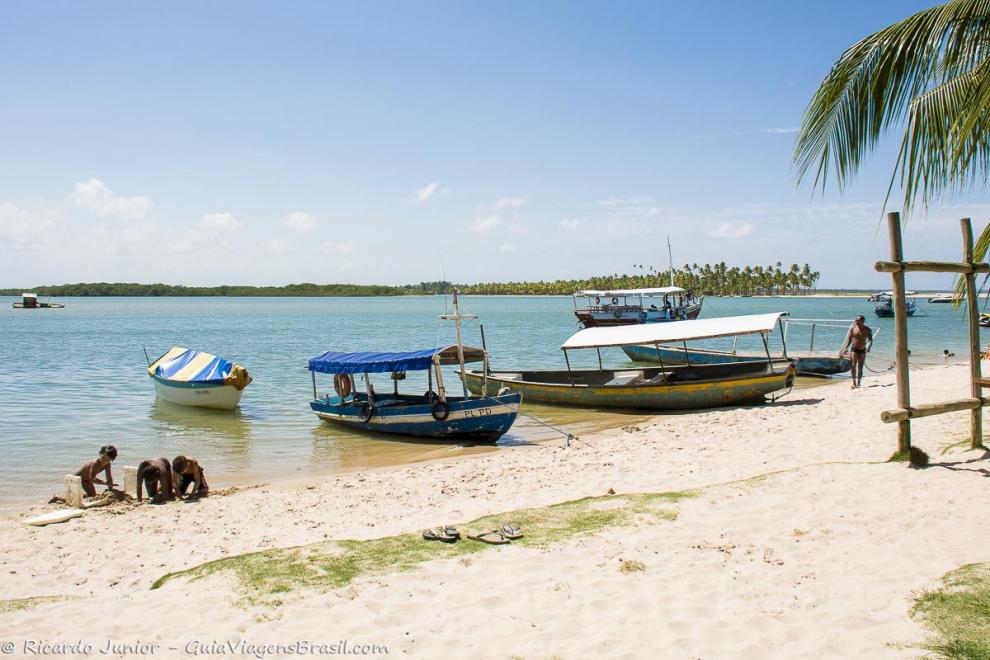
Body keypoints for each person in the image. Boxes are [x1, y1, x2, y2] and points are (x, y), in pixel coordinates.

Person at [48, 445, 118, 503]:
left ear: (111, 460)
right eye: (103, 458)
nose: (104, 461)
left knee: (92, 497)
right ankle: (57, 497)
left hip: (86, 480)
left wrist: (110, 489)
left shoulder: (107, 465)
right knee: (75, 502)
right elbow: (92, 479)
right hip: (76, 479)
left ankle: (81, 496)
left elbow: (109, 477)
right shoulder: (95, 463)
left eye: (108, 460)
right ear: (100, 454)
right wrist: (105, 484)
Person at [839, 315, 874, 388]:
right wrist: (845, 348)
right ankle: (854, 382)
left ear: (863, 321)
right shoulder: (853, 329)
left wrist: (869, 347)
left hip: (862, 350)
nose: (856, 322)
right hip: (854, 349)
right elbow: (849, 340)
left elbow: (870, 340)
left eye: (858, 321)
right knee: (853, 365)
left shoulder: (867, 329)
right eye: (856, 320)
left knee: (860, 367)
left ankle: (859, 382)